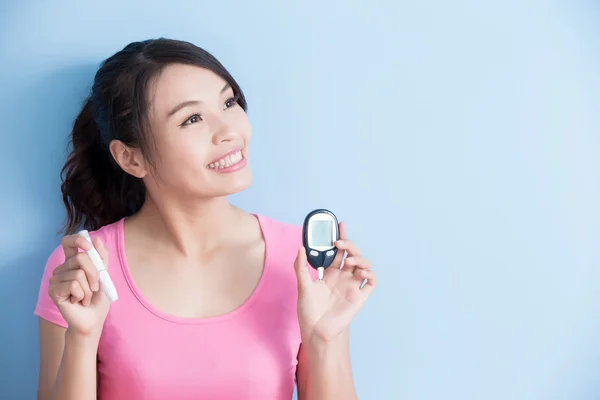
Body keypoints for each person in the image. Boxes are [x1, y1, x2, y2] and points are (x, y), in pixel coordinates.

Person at [34, 38, 377, 400]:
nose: (229, 130)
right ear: (131, 159)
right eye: (192, 118)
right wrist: (82, 338)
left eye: (229, 102)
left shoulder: (302, 261)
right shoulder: (85, 271)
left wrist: (324, 339)